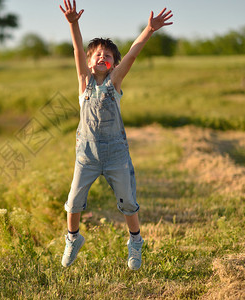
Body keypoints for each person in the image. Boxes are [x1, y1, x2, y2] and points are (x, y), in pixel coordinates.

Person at [59, 0, 173, 270]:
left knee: (128, 202)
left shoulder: (115, 82)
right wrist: (74, 23)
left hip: (115, 155)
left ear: (114, 64)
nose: (102, 58)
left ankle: (135, 242)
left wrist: (149, 30)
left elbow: (132, 54)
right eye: (97, 55)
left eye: (108, 56)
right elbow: (77, 48)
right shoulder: (84, 82)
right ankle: (73, 239)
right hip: (86, 155)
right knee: (73, 202)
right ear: (89, 62)